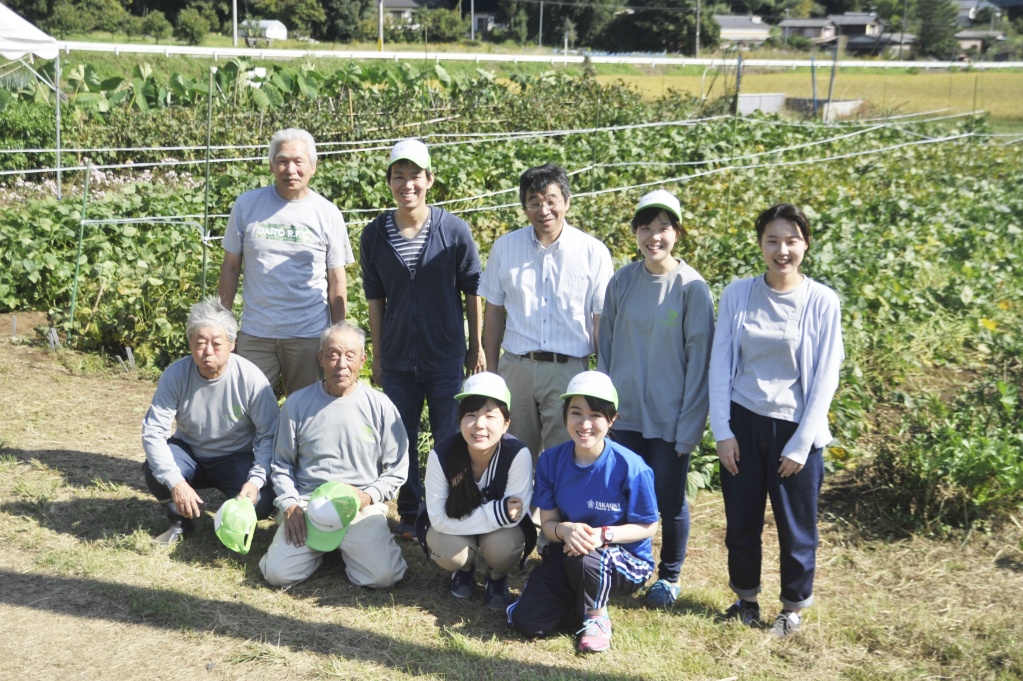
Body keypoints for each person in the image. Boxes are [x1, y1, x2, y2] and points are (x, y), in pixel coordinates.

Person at [708, 203, 844, 637]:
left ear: (805, 243)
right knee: (741, 520)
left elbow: (826, 374)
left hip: (795, 426)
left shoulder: (821, 301)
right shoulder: (738, 294)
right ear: (760, 243)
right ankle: (745, 599)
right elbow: (720, 364)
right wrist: (723, 431)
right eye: (772, 240)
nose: (781, 250)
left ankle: (792, 608)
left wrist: (802, 442)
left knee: (795, 526)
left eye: (791, 240)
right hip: (744, 422)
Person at [361, 138, 485, 539]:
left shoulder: (453, 230)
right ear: (390, 183)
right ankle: (412, 512)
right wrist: (377, 356)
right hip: (397, 357)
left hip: (445, 354)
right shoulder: (375, 235)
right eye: (399, 176)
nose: (407, 184)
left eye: (415, 175)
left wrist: (476, 346)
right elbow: (375, 300)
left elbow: (472, 291)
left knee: (451, 436)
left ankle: (451, 511)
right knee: (401, 439)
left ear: (430, 179)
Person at [597, 189, 715, 608]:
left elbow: (700, 364)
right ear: (636, 234)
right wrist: (604, 411)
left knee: (668, 499)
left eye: (663, 227)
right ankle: (625, 565)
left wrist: (690, 426)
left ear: (677, 232)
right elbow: (606, 348)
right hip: (624, 416)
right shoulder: (623, 281)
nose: (654, 237)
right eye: (645, 228)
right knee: (622, 494)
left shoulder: (692, 288)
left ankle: (669, 576)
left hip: (669, 418)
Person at [507, 371, 658, 654]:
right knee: (527, 622)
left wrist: (603, 535)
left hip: (625, 560)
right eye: (576, 413)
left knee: (588, 555)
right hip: (569, 550)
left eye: (596, 415)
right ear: (565, 416)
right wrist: (565, 530)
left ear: (611, 419)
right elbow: (549, 523)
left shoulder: (632, 467)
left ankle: (596, 618)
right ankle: (577, 604)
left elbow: (649, 526)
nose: (584, 423)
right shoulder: (551, 461)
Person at [258, 322, 410, 589]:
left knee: (383, 578)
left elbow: (396, 468)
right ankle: (321, 549)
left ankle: (348, 548)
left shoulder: (381, 406)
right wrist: (290, 505)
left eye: (350, 355)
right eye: (333, 354)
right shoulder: (297, 404)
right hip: (307, 505)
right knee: (277, 575)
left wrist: (368, 496)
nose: (341, 363)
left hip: (359, 507)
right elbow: (281, 464)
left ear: (362, 360)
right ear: (320, 358)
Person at [480, 163, 614, 464]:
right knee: (513, 454)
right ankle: (519, 511)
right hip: (517, 367)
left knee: (564, 455)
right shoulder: (505, 248)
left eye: (551, 200)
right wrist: (491, 368)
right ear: (524, 207)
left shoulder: (592, 251)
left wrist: (601, 376)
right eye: (534, 202)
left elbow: (600, 319)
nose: (544, 210)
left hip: (568, 369)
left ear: (566, 201)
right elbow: (493, 311)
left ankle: (556, 513)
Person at [218, 128, 355, 397]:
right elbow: (231, 267)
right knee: (247, 406)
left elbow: (337, 280)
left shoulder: (327, 214)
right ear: (271, 165)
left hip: (308, 335)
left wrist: (338, 333)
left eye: (298, 161)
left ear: (313, 167)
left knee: (307, 409)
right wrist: (223, 322)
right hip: (256, 332)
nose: (290, 169)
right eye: (282, 161)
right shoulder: (247, 205)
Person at [141, 297, 280, 546]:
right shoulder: (175, 375)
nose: (207, 351)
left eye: (216, 344)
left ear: (232, 344)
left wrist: (255, 480)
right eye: (200, 343)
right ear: (190, 343)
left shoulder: (251, 379)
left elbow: (269, 434)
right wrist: (176, 482)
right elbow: (153, 432)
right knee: (154, 469)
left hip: (237, 457)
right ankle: (180, 521)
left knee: (264, 500)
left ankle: (229, 519)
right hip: (190, 452)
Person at [416, 372, 536, 610]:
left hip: (492, 531)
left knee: (504, 547)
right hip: (458, 529)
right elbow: (438, 519)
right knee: (450, 551)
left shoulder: (518, 454)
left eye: (490, 416)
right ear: (459, 419)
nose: (479, 425)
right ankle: (464, 569)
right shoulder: (441, 454)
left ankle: (497, 576)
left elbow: (517, 515)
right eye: (471, 415)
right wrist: (498, 511)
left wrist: (500, 515)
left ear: (506, 423)